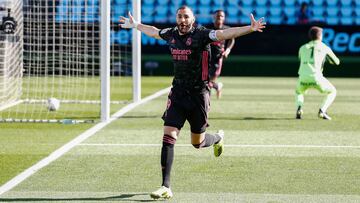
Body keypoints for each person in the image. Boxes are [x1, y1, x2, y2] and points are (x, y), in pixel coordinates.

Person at [119, 6, 265, 200]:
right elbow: (154, 32)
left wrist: (250, 28)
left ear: (193, 19)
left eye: (186, 16)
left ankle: (218, 138)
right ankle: (165, 186)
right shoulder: (171, 34)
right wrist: (136, 25)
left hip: (199, 96)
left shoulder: (202, 34)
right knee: (168, 137)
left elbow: (224, 33)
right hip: (178, 94)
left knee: (198, 143)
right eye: (180, 16)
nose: (183, 20)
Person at [295, 26, 340, 120]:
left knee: (299, 92)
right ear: (320, 36)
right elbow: (336, 62)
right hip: (317, 77)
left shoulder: (302, 48)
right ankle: (322, 111)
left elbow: (301, 59)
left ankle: (299, 108)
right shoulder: (324, 47)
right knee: (332, 91)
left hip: (303, 77)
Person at [208, 10, 235, 99]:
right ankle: (216, 87)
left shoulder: (226, 29)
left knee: (209, 80)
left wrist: (227, 50)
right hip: (206, 57)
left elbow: (232, 39)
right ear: (213, 17)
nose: (219, 17)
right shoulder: (208, 28)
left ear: (224, 18)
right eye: (217, 16)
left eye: (221, 16)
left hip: (217, 57)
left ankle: (213, 89)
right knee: (204, 79)